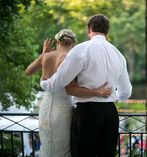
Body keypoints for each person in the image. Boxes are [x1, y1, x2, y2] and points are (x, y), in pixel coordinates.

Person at [40, 14, 132, 157]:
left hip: (88, 113)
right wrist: (110, 97)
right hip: (110, 113)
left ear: (89, 29)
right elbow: (126, 91)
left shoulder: (82, 49)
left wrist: (45, 84)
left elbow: (61, 80)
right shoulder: (118, 54)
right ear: (107, 31)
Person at [25, 29, 112, 157]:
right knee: (63, 148)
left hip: (45, 108)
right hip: (62, 110)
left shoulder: (46, 57)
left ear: (57, 41)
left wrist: (43, 54)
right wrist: (98, 92)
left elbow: (28, 71)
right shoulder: (69, 58)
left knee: (47, 146)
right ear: (73, 44)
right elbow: (71, 88)